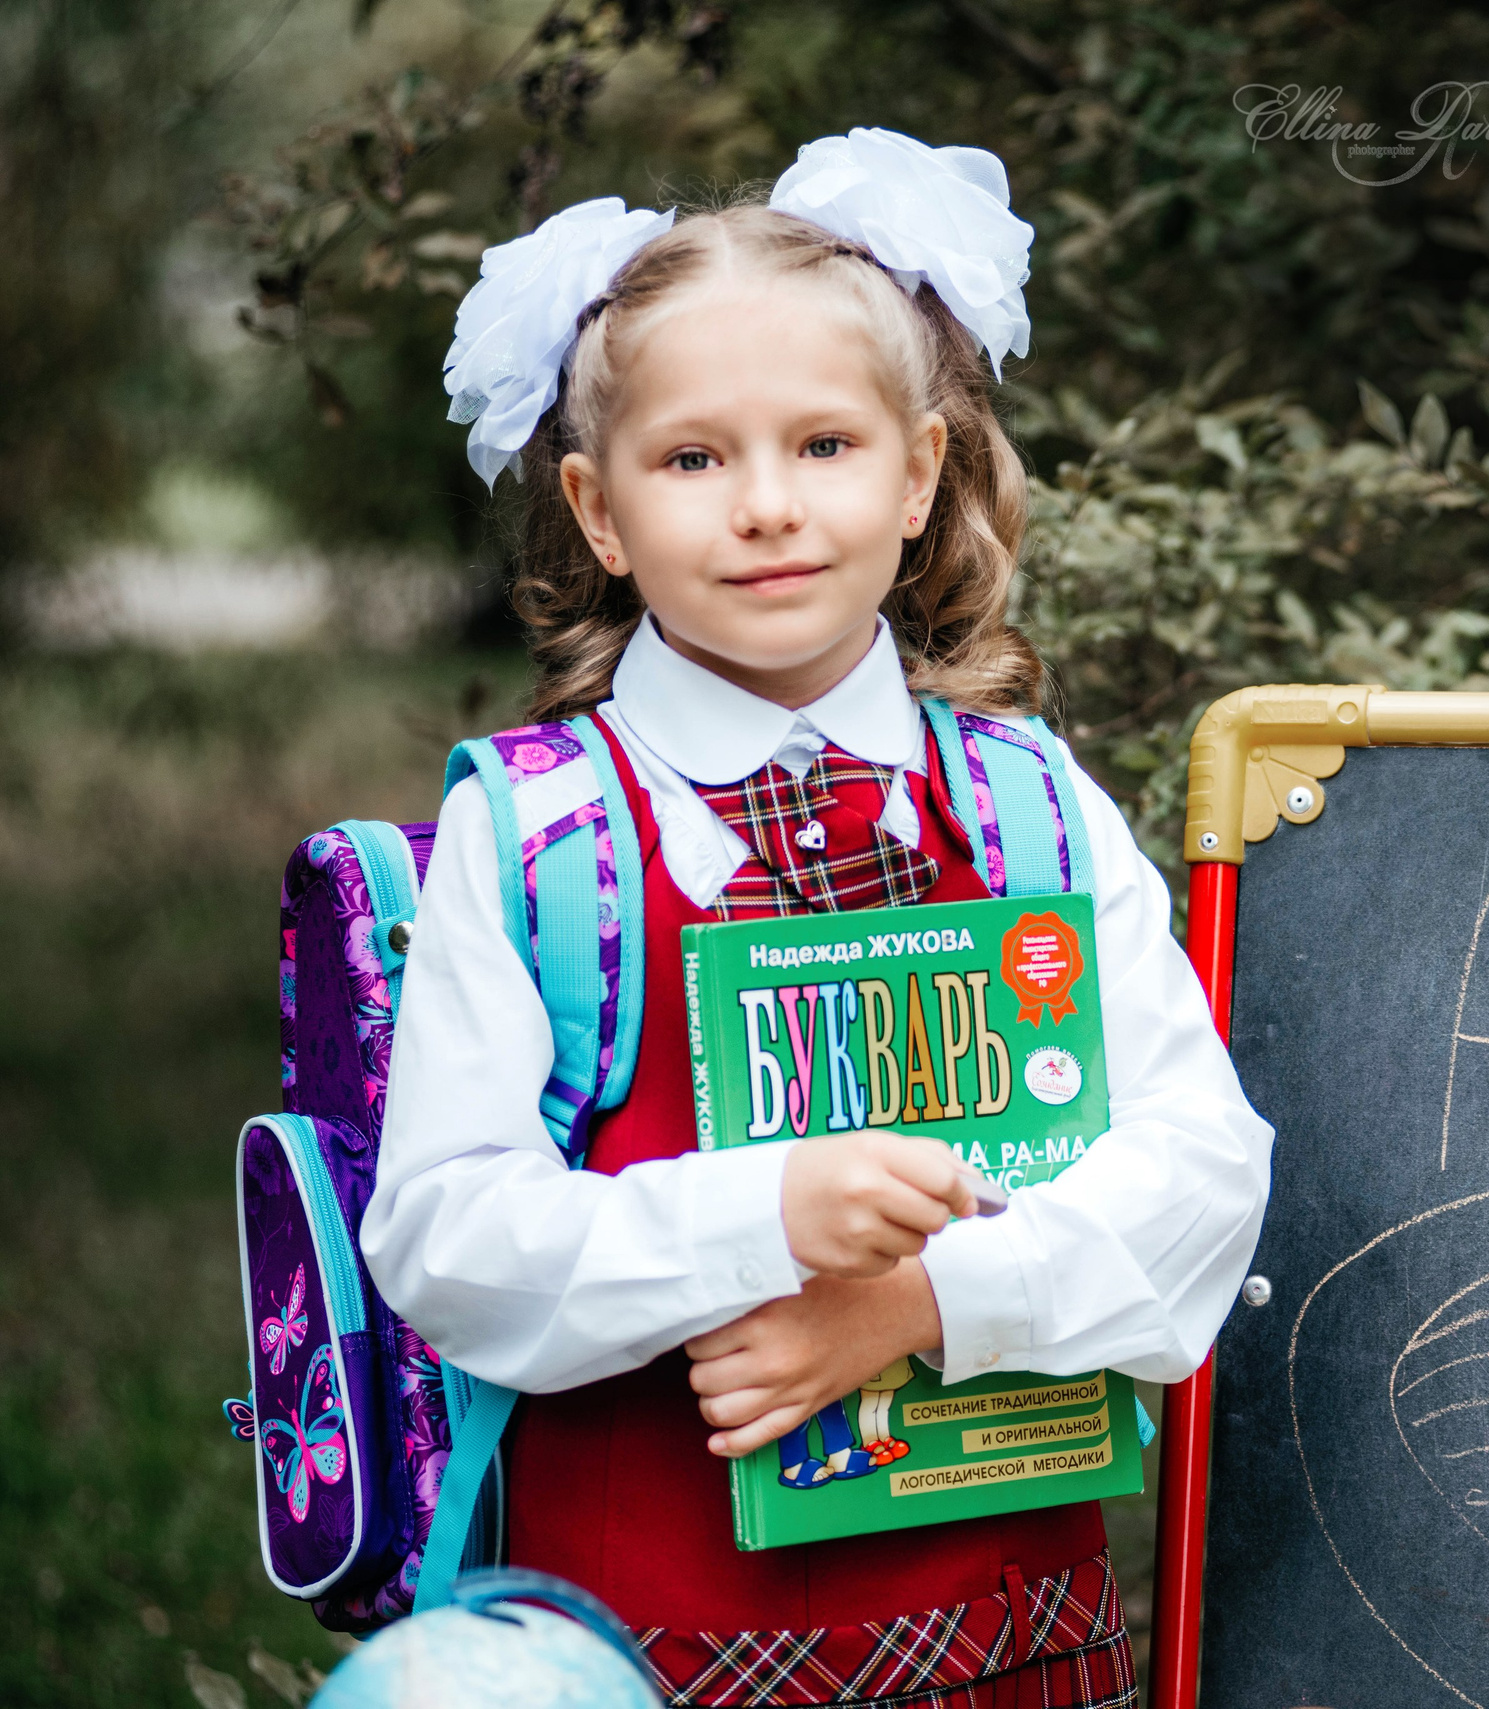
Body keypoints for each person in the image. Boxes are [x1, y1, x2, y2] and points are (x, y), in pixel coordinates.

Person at [361, 129, 1272, 1707]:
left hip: (1010, 1647)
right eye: (694, 459)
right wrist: (759, 1218)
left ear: (921, 472)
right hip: (639, 1656)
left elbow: (1203, 1175)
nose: (767, 506)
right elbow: (444, 1240)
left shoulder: (1026, 807)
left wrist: (922, 1301)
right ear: (597, 508)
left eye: (827, 447)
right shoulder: (536, 839)